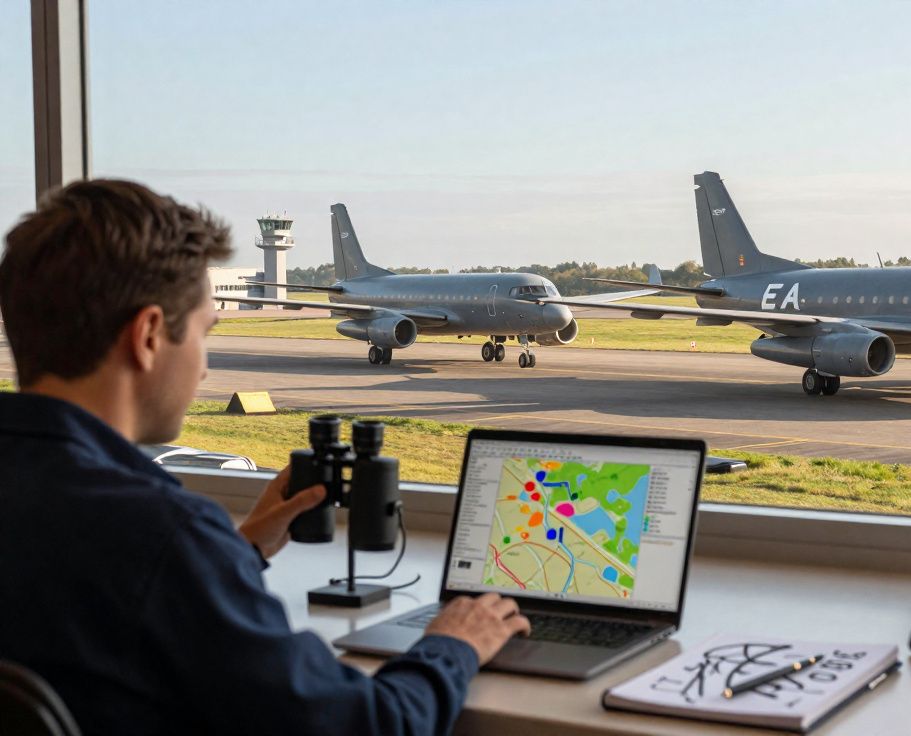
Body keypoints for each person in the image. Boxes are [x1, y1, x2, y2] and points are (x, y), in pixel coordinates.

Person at [0, 179, 530, 735]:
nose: (204, 369)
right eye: (205, 334)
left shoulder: (116, 531)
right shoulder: (163, 539)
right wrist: (453, 643)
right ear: (149, 337)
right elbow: (370, 726)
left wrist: (238, 549)